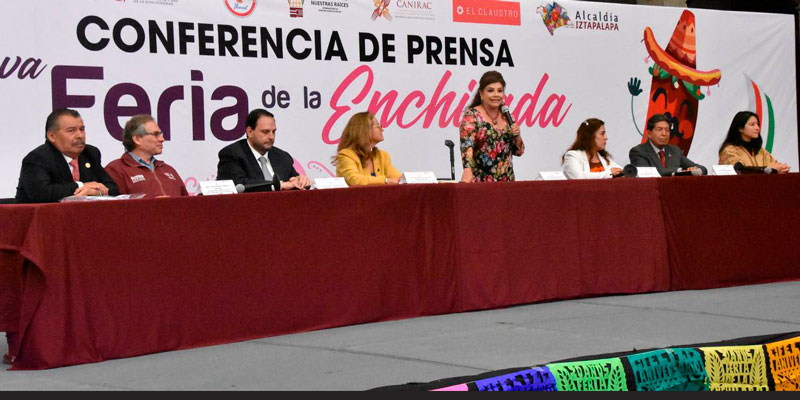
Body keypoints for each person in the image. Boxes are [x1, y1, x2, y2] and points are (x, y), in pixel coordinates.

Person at [14, 108, 119, 203]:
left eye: (82, 129)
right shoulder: (37, 158)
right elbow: (42, 193)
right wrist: (81, 185)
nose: (80, 135)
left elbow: (113, 188)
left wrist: (96, 192)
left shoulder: (90, 153)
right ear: (51, 136)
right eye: (71, 130)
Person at [216, 109, 311, 190]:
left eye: (273, 132)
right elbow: (238, 185)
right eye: (265, 132)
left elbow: (293, 182)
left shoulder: (282, 157)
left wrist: (300, 181)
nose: (271, 137)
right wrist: (279, 185)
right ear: (249, 131)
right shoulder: (232, 154)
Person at [459, 70, 524, 182]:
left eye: (500, 91)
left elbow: (519, 152)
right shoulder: (472, 116)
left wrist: (518, 135)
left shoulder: (508, 117)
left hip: (507, 183)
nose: (496, 95)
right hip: (482, 183)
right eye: (490, 90)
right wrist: (467, 172)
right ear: (481, 93)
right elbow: (467, 149)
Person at [105, 115, 189, 198]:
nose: (162, 139)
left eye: (161, 134)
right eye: (156, 134)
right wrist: (154, 204)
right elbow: (114, 205)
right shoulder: (116, 170)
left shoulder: (168, 169)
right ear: (137, 139)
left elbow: (187, 203)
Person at [334, 111, 402, 186]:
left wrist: (408, 178)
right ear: (365, 130)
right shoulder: (346, 155)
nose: (382, 129)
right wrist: (385, 181)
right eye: (378, 126)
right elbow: (355, 180)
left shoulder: (382, 155)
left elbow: (399, 178)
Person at [629, 113, 707, 176]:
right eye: (659, 130)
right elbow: (648, 173)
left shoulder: (674, 151)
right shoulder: (638, 151)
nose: (664, 134)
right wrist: (679, 171)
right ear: (649, 133)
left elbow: (702, 168)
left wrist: (695, 170)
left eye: (667, 130)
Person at [718, 111, 790, 173]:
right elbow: (739, 171)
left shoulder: (762, 152)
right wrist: (767, 169)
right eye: (752, 124)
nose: (757, 128)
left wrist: (781, 169)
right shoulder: (729, 150)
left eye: (757, 124)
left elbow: (776, 166)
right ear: (740, 128)